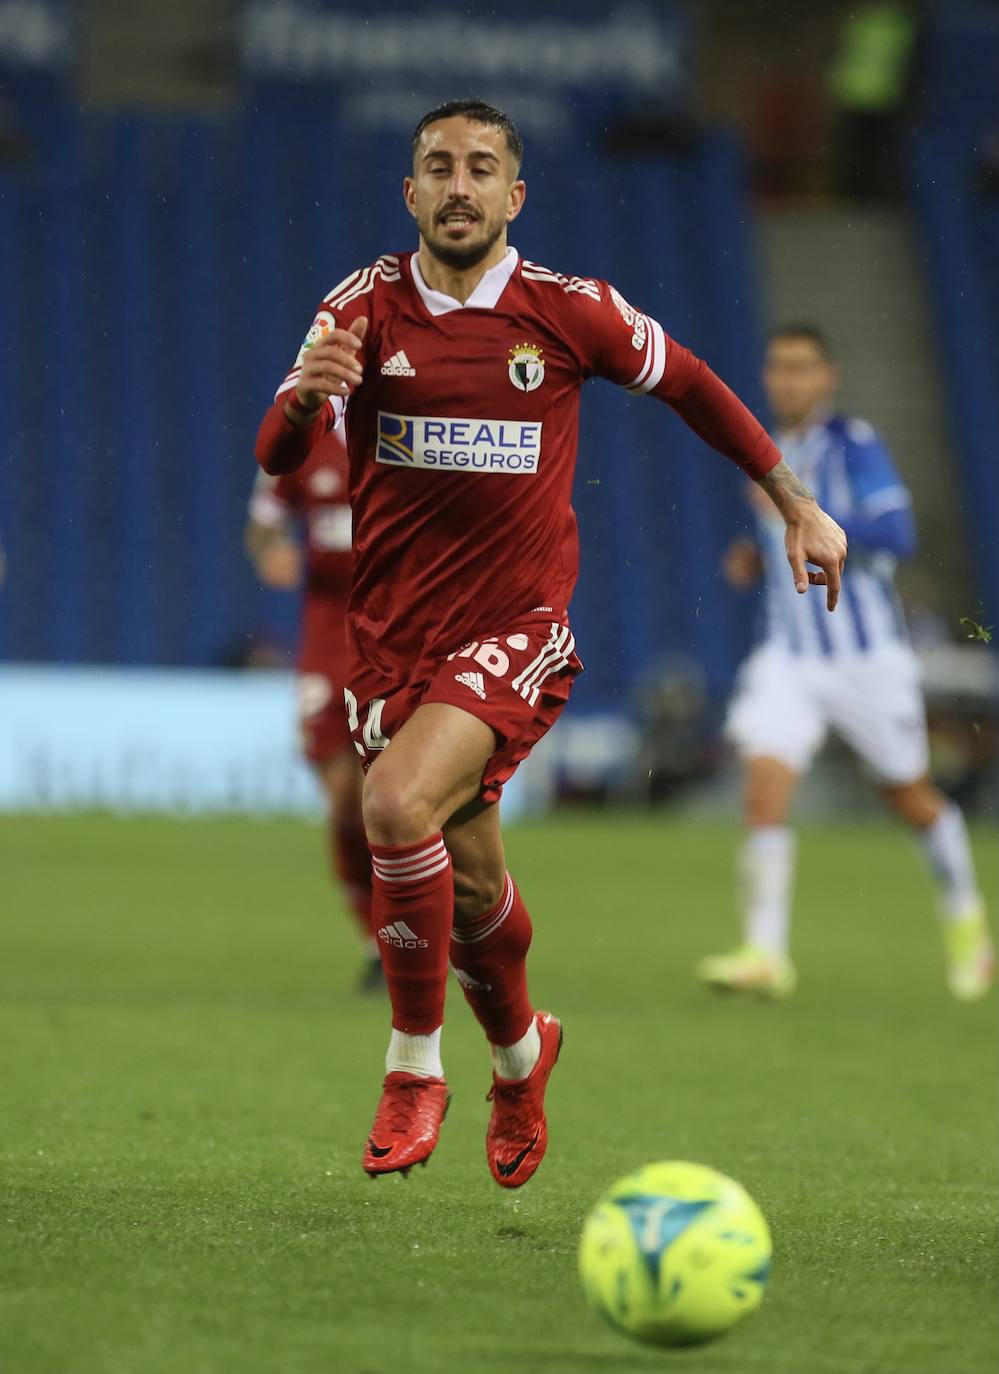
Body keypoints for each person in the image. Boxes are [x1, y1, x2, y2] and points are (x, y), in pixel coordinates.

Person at [254, 100, 847, 1185]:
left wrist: (796, 502)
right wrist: (306, 403)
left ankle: (412, 1067)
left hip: (516, 629)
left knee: (390, 805)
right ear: (412, 192)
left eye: (483, 168)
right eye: (439, 167)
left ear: (515, 196)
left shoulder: (569, 312)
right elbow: (280, 449)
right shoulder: (361, 306)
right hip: (393, 644)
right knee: (470, 887)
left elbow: (698, 388)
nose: (461, 185)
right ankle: (524, 1056)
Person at [698, 324, 993, 1002]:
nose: (788, 380)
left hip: (864, 658)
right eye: (777, 367)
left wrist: (808, 518)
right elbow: (780, 545)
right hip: (788, 658)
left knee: (908, 798)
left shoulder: (853, 445)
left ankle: (964, 917)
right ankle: (765, 952)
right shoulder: (770, 455)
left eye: (802, 368)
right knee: (763, 786)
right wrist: (755, 555)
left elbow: (896, 532)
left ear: (825, 377)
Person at [245, 429, 379, 992]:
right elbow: (260, 526)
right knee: (346, 803)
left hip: (394, 635)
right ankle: (379, 941)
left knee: (396, 802)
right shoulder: (304, 438)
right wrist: (269, 549)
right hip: (326, 642)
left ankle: (417, 931)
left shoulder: (405, 430)